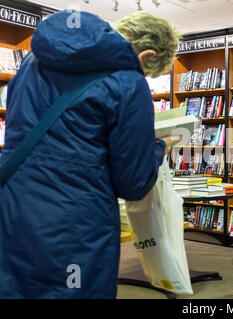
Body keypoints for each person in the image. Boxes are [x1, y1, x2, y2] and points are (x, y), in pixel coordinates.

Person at [0, 10, 180, 298]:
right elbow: (132, 184)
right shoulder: (127, 81)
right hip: (76, 220)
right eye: (148, 72)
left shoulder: (34, 60)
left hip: (13, 206)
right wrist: (159, 149)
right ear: (145, 55)